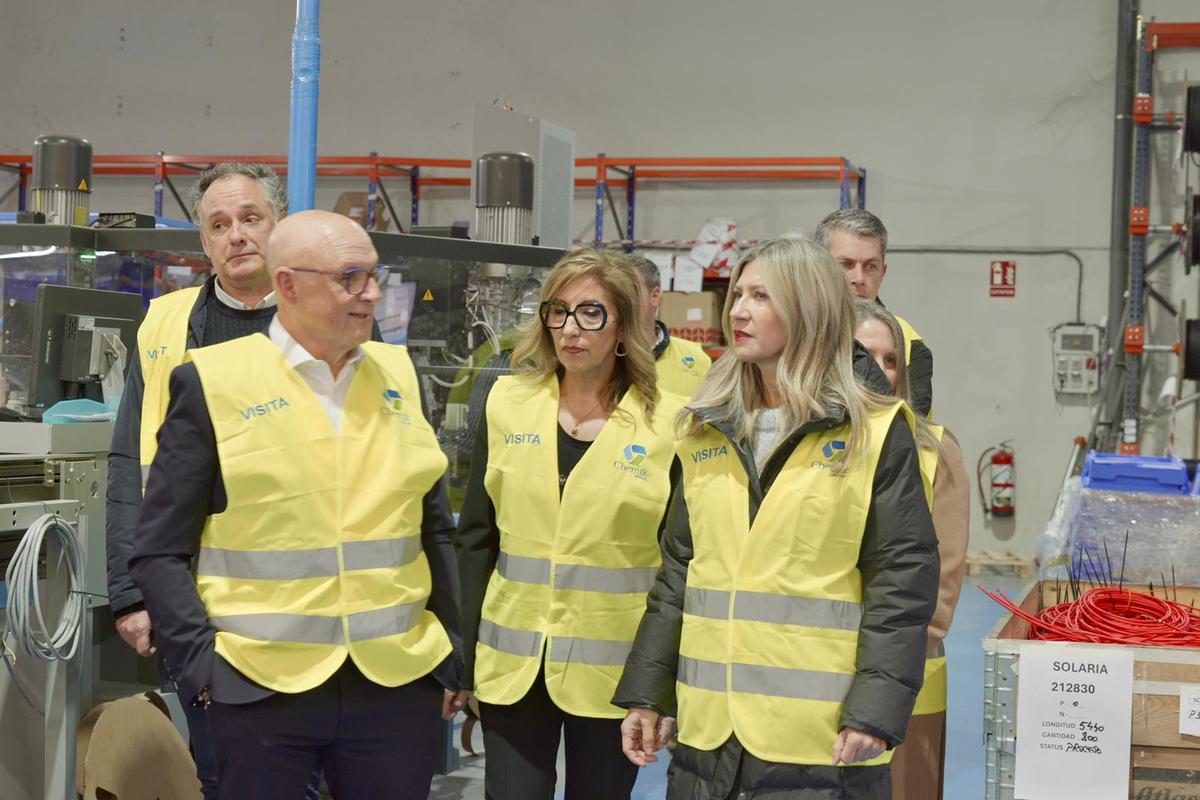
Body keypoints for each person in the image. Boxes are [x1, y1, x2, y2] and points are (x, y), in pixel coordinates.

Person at [129, 210, 465, 799]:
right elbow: (159, 547)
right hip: (260, 687)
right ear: (289, 285)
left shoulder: (398, 374)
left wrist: (451, 652)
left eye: (373, 275)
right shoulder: (213, 382)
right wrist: (203, 670)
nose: (373, 293)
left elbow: (433, 526)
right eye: (352, 278)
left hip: (395, 681)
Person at [614, 236, 940, 800]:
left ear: (809, 308)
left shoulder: (876, 431)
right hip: (709, 736)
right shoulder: (702, 427)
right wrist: (651, 692)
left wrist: (875, 710)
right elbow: (678, 574)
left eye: (761, 296)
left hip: (820, 741)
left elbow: (901, 583)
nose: (738, 309)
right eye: (738, 294)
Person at [456, 249, 686, 800]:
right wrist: (461, 665)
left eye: (590, 314)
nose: (569, 329)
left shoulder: (671, 424)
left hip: (614, 673)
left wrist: (658, 688)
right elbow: (476, 539)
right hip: (512, 665)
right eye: (556, 312)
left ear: (626, 328)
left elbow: (680, 567)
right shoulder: (507, 402)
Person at [106, 161, 286, 799]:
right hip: (195, 606)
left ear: (278, 226)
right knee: (222, 775)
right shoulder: (162, 327)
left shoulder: (326, 323)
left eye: (250, 219)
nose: (236, 235)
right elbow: (129, 460)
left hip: (303, 607)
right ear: (204, 243)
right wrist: (129, 592)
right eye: (219, 225)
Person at [854, 301, 969, 800]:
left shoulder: (935, 449)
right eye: (863, 355)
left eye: (891, 359)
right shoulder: (811, 443)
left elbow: (945, 572)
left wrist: (897, 662)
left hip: (907, 670)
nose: (878, 370)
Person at [815, 209, 934, 417]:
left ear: (883, 272)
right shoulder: (791, 330)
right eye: (846, 265)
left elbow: (913, 425)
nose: (859, 278)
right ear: (817, 268)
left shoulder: (907, 342)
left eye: (870, 266)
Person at [629, 255, 712, 397]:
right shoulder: (601, 357)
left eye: (630, 291)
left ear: (655, 296)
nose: (621, 301)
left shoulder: (697, 359)